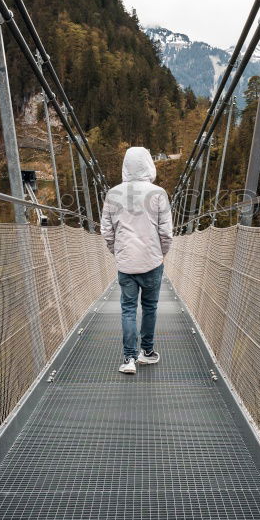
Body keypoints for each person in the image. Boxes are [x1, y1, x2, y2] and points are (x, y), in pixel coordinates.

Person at [100, 146, 173, 375]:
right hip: (152, 262)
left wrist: (117, 252)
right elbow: (166, 232)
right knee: (150, 307)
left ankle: (129, 358)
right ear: (148, 164)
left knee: (128, 309)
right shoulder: (158, 193)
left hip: (126, 263)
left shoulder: (113, 194)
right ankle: (147, 353)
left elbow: (106, 230)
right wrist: (161, 253)